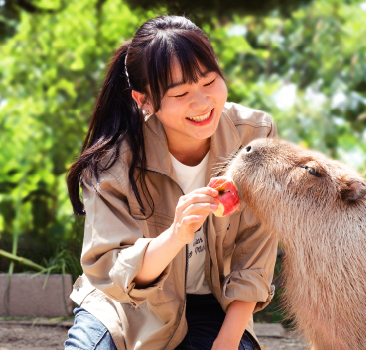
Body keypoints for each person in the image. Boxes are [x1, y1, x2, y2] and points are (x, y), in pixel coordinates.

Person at [64, 15, 278, 350]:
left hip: (215, 307)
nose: (202, 103)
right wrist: (176, 234)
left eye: (209, 83)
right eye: (180, 93)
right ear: (144, 100)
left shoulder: (255, 137)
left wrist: (226, 343)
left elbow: (254, 256)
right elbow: (115, 274)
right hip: (124, 309)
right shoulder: (110, 162)